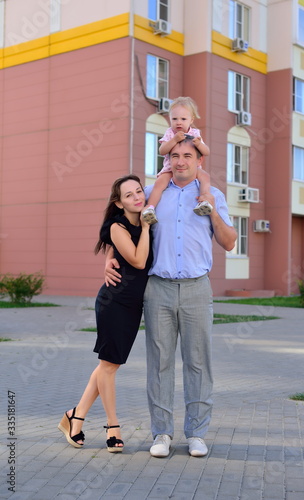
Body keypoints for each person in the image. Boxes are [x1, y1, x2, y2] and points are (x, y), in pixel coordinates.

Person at [105, 137, 237, 458]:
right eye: (174, 155)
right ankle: (161, 433)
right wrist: (108, 255)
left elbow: (230, 242)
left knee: (198, 362)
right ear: (168, 159)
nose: (180, 161)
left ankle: (196, 434)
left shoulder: (212, 195)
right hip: (158, 288)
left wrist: (213, 214)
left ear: (198, 161)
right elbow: (122, 222)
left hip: (196, 287)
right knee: (160, 363)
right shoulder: (153, 194)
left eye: (187, 155)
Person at [58, 174, 152, 453]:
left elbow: (118, 254)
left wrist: (111, 258)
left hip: (134, 304)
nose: (137, 197)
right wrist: (146, 229)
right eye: (129, 195)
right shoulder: (117, 225)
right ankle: (113, 426)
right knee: (109, 365)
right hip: (115, 302)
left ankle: (74, 417)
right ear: (119, 202)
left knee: (109, 365)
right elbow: (137, 259)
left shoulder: (141, 220)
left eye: (139, 191)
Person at [142, 96, 212, 225]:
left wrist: (199, 144)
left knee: (205, 177)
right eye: (174, 119)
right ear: (170, 119)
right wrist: (174, 140)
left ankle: (204, 200)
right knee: (160, 183)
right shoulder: (170, 133)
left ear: (191, 120)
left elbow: (206, 152)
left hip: (192, 169)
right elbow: (162, 151)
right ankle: (150, 208)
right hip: (171, 168)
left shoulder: (195, 133)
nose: (178, 122)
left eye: (183, 119)